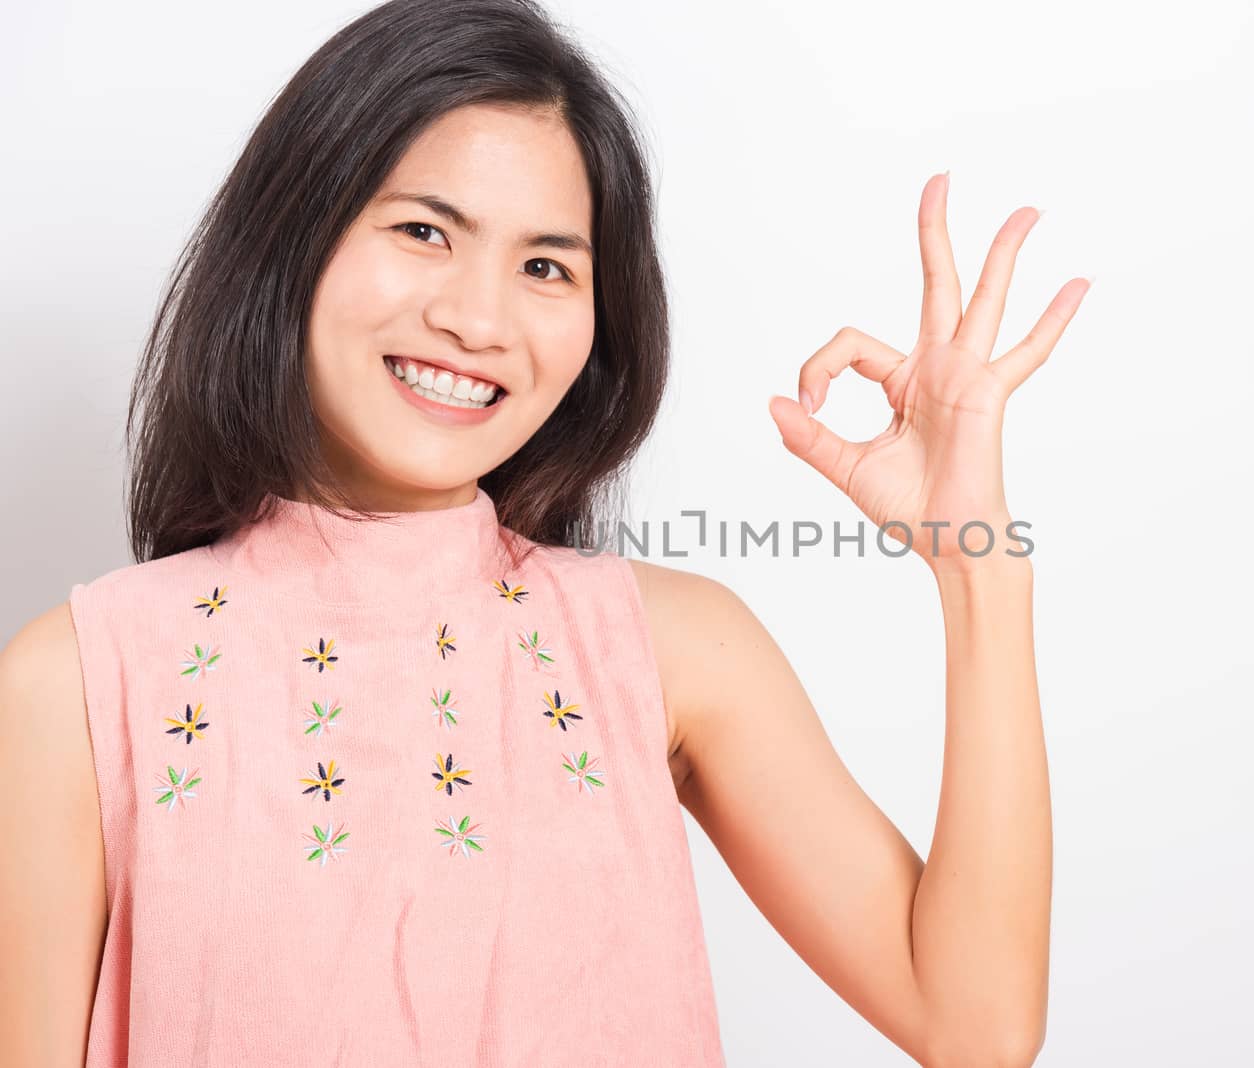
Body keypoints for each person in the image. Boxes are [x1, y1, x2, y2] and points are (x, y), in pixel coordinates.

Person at [0, 0, 1088, 1064]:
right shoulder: (78, 683)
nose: (479, 320)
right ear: (293, 242)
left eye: (545, 267)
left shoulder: (674, 647)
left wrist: (975, 569)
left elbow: (975, 1026)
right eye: (424, 231)